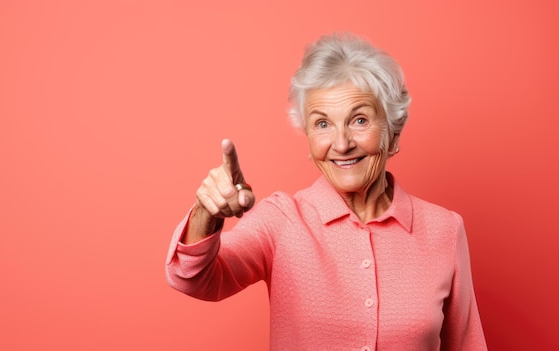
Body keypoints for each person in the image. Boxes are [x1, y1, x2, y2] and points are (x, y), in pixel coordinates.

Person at [165, 32, 487, 350]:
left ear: (393, 132)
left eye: (359, 120)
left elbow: (466, 344)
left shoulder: (445, 230)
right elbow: (192, 278)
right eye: (323, 124)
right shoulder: (282, 220)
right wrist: (207, 213)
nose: (342, 144)